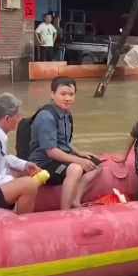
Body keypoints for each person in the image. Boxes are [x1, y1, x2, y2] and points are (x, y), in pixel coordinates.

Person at [28, 76, 102, 209]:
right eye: (63, 94)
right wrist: (78, 161)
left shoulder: (66, 114)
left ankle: (76, 199)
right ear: (52, 94)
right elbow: (51, 151)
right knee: (76, 168)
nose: (68, 98)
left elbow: (62, 142)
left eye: (71, 94)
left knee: (96, 164)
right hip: (42, 163)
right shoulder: (46, 116)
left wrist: (79, 153)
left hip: (58, 158)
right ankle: (65, 210)